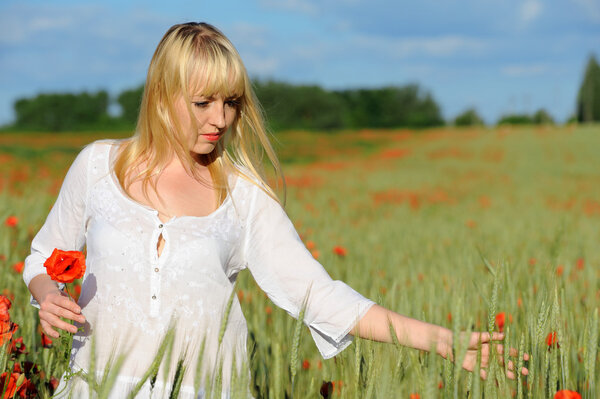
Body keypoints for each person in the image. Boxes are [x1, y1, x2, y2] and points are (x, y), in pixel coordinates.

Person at [23, 22, 526, 398]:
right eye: (203, 103)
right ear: (162, 96)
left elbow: (318, 294)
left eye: (231, 102)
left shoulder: (243, 194)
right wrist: (47, 297)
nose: (221, 119)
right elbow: (43, 256)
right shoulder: (97, 167)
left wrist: (441, 339)